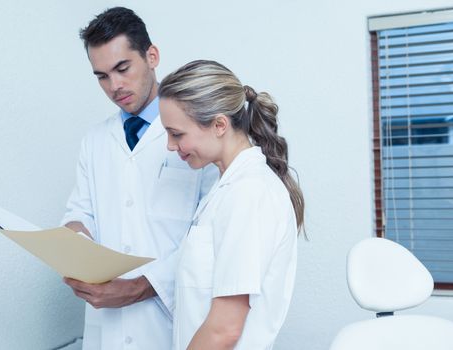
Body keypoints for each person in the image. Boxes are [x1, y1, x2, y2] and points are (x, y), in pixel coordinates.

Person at [61, 8, 217, 350]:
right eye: (101, 76)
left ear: (152, 56)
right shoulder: (95, 141)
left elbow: (209, 235)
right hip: (108, 328)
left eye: (122, 68)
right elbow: (80, 213)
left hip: (170, 322)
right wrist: (74, 247)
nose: (115, 86)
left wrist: (137, 288)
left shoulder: (197, 134)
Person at [158, 60, 305, 349]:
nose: (170, 146)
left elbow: (224, 330)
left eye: (177, 133)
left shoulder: (249, 193)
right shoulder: (227, 189)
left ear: (219, 125)